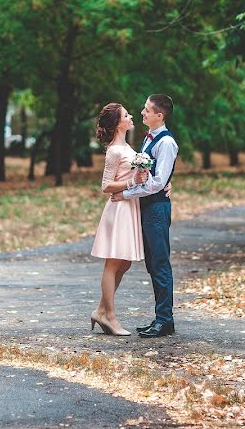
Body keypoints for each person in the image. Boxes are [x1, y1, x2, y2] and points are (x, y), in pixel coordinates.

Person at [111, 94, 178, 338]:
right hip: (148, 206)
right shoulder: (151, 138)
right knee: (153, 263)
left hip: (157, 208)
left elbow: (158, 182)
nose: (142, 112)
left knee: (160, 263)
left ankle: (165, 320)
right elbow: (154, 176)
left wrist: (127, 194)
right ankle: (161, 317)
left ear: (159, 116)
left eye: (147, 110)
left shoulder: (166, 142)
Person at [89, 103, 146, 336]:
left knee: (125, 262)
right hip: (118, 208)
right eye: (126, 115)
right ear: (117, 123)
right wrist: (132, 182)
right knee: (113, 263)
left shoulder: (126, 146)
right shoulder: (114, 151)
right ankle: (110, 317)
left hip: (129, 207)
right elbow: (106, 186)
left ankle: (101, 310)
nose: (131, 116)